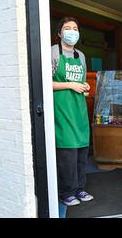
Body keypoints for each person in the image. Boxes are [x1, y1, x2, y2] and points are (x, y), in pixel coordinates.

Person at [52, 17, 94, 206]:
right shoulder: (52, 53)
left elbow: (81, 79)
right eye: (67, 28)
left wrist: (84, 86)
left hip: (78, 110)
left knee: (81, 152)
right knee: (67, 154)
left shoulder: (81, 56)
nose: (72, 31)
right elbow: (44, 83)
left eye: (75, 28)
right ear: (59, 33)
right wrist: (70, 84)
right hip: (62, 109)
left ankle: (79, 188)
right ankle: (66, 192)